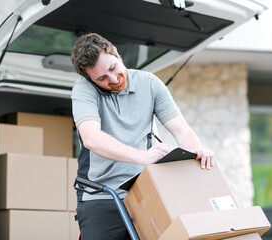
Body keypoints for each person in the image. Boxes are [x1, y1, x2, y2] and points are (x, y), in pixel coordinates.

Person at [71, 33, 214, 240]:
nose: (113, 79)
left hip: (142, 191)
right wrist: (142, 156)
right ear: (90, 79)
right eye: (101, 78)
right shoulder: (83, 90)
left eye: (112, 68)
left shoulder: (149, 83)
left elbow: (181, 130)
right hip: (100, 195)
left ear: (117, 54)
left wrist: (195, 154)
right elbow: (91, 138)